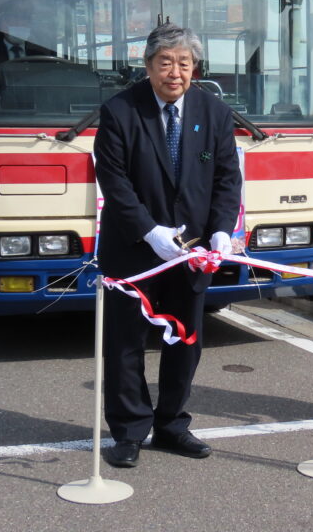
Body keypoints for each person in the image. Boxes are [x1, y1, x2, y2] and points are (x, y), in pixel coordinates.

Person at [93, 23, 241, 468]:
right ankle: (129, 431)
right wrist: (149, 231)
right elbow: (114, 181)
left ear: (195, 67)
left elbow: (226, 178)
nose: (175, 72)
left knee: (186, 339)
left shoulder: (213, 111)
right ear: (148, 65)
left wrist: (220, 230)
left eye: (184, 63)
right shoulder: (120, 110)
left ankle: (173, 424)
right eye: (165, 62)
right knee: (124, 344)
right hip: (133, 250)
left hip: (192, 251)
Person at [0, 0, 53, 69]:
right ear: (2, 23)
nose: (19, 23)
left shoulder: (40, 54)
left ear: (30, 24)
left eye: (25, 18)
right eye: (13, 18)